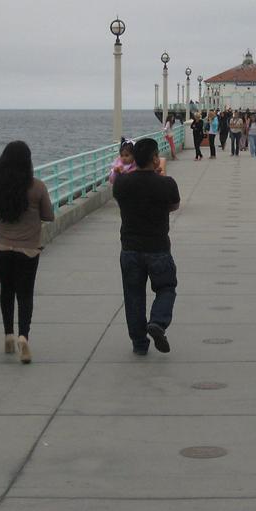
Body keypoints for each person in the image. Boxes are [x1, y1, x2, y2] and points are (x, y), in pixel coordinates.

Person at [0, 140, 54, 364]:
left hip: (1, 248)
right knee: (25, 294)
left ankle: (8, 336)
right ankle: (24, 336)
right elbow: (49, 215)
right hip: (29, 250)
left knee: (7, 292)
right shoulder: (38, 187)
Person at [112, 138, 181, 356]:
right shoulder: (166, 183)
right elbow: (174, 205)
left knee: (133, 295)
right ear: (154, 158)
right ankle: (158, 322)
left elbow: (119, 199)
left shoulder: (122, 183)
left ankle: (139, 344)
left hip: (130, 248)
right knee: (166, 287)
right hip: (158, 247)